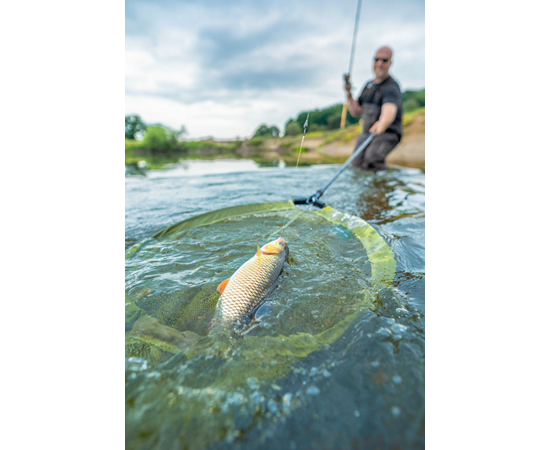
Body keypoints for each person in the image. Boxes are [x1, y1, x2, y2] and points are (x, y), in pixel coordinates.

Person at [344, 46, 403, 171]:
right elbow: (356, 112)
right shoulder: (368, 86)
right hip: (367, 133)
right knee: (356, 163)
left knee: (372, 158)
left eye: (384, 60)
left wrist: (382, 123)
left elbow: (389, 110)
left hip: (387, 133)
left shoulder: (391, 86)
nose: (379, 63)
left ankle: (382, 187)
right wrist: (349, 94)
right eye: (376, 59)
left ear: (390, 63)